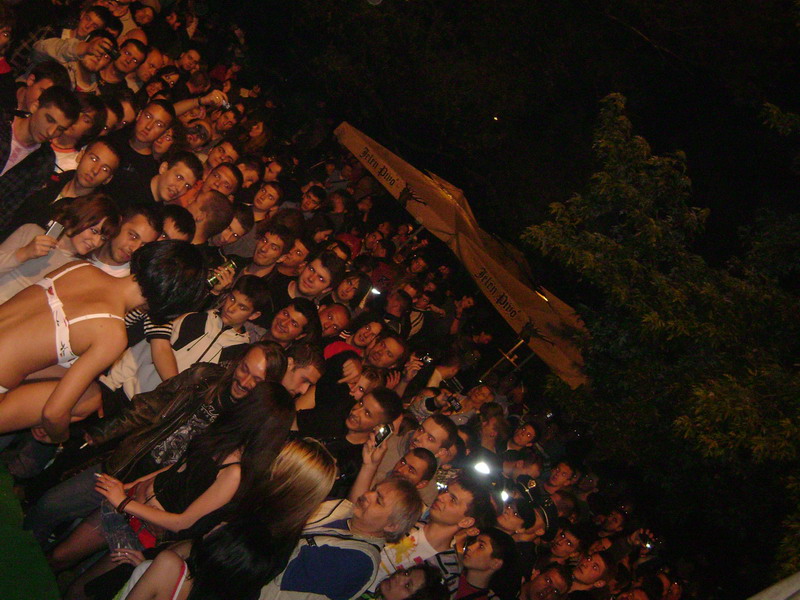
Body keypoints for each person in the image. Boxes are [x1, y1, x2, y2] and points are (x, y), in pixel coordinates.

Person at [24, 343, 288, 546]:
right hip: (130, 462)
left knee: (84, 550)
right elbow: (148, 406)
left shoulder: (249, 423)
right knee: (51, 505)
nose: (245, 382)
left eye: (257, 381)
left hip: (160, 497)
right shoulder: (204, 376)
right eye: (244, 369)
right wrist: (99, 433)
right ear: (238, 361)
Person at [51, 381, 295, 598]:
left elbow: (183, 523)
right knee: (60, 556)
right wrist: (129, 487)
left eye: (251, 399)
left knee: (82, 589)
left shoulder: (234, 473)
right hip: (130, 504)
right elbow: (175, 467)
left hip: (144, 532)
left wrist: (124, 502)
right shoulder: (221, 435)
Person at [0, 240, 206, 443]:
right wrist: (59, 436)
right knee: (89, 399)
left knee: (86, 388)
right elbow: (53, 413)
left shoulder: (80, 268)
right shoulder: (112, 334)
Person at [116, 438, 337, 600]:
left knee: (157, 564)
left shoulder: (259, 537)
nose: (271, 458)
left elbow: (207, 573)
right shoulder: (274, 522)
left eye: (280, 457)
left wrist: (159, 567)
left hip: (190, 587)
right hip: (185, 576)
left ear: (286, 477)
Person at [259, 476, 424, 600]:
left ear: (391, 526)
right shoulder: (342, 507)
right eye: (373, 489)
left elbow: (283, 569)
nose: (368, 495)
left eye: (378, 501)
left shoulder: (360, 561)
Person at [0, 192, 120, 303]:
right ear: (79, 217)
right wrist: (24, 253)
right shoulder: (30, 232)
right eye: (94, 231)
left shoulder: (78, 271)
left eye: (103, 238)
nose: (96, 242)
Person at [0, 86, 81, 235]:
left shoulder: (44, 161)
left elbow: (9, 210)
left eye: (60, 129)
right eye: (49, 120)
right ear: (35, 106)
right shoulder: (3, 121)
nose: (51, 131)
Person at [88, 203, 162, 277]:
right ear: (119, 223)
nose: (135, 249)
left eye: (143, 245)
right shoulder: (85, 247)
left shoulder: (132, 279)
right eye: (133, 237)